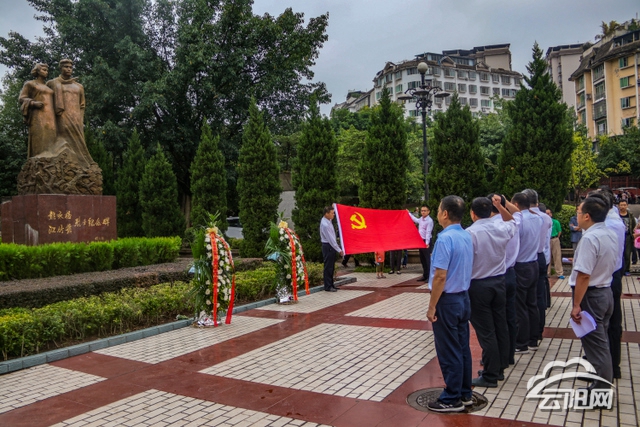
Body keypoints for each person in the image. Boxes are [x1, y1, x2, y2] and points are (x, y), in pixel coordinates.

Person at [426, 195, 474, 412]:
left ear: (445, 213)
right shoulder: (466, 235)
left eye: (438, 209)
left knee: (449, 350)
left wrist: (431, 306)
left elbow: (440, 276)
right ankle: (464, 392)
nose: (437, 213)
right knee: (462, 347)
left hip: (447, 301)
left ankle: (451, 398)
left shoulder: (445, 239)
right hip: (463, 298)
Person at [466, 196, 516, 388]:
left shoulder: (470, 233)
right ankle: (499, 367)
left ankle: (490, 375)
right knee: (500, 325)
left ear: (472, 213)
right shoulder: (501, 228)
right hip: (499, 282)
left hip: (479, 285)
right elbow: (512, 220)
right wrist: (500, 206)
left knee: (486, 331)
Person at [570, 196, 617, 395]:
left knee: (597, 347)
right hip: (605, 291)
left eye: (579, 213)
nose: (577, 216)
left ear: (587, 216)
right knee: (601, 343)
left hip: (592, 295)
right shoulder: (610, 233)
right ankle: (600, 386)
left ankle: (601, 391)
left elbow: (584, 275)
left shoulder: (590, 238)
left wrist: (576, 304)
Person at [508, 192, 543, 354]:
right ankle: (533, 339)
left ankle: (521, 343)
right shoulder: (538, 218)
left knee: (520, 306)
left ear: (515, 204)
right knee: (532, 303)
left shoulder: (519, 221)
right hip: (533, 263)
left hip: (521, 265)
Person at [46, 59, 95, 169]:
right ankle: (64, 165)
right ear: (61, 68)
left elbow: (82, 105)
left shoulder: (79, 86)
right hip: (61, 117)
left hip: (76, 118)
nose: (68, 69)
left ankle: (82, 165)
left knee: (79, 141)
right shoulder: (52, 83)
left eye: (70, 67)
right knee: (63, 140)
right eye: (66, 67)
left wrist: (80, 120)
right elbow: (45, 99)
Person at [522, 189, 551, 349]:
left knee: (523, 300)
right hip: (540, 257)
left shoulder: (522, 218)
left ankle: (525, 335)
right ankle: (537, 331)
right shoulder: (545, 217)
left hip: (526, 259)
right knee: (538, 297)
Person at [19, 63, 57, 158]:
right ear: (38, 71)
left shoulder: (48, 87)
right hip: (38, 115)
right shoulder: (30, 84)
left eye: (47, 70)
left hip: (50, 115)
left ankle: (51, 159)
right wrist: (33, 103)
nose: (46, 72)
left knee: (51, 135)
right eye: (44, 70)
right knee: (39, 136)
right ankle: (38, 159)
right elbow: (21, 98)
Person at [320, 206, 343, 292]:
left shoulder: (328, 220)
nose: (333, 215)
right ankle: (328, 286)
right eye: (332, 213)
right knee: (328, 267)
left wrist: (333, 206)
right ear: (326, 214)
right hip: (328, 246)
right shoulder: (325, 225)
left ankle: (331, 284)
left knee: (331, 267)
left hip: (330, 246)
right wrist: (339, 249)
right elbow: (331, 239)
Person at [409, 205, 434, 281]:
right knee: (422, 259)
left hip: (426, 241)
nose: (423, 212)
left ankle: (429, 276)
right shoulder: (421, 219)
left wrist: (427, 243)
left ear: (428, 211)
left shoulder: (429, 221)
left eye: (425, 211)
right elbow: (415, 220)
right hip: (421, 240)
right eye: (422, 211)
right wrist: (408, 213)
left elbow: (428, 232)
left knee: (427, 259)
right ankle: (425, 275)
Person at [618, 200, 636, 275]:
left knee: (627, 254)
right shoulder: (616, 215)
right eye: (621, 205)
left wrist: (633, 234)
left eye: (624, 205)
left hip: (628, 236)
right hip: (618, 237)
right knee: (619, 254)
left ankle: (626, 269)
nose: (623, 207)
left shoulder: (630, 215)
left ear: (627, 206)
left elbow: (634, 225)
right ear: (619, 206)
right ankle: (619, 269)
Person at [546, 208, 564, 279]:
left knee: (557, 256)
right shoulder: (544, 222)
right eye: (546, 213)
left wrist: (556, 238)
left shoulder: (556, 222)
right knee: (547, 256)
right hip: (547, 240)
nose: (547, 215)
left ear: (551, 214)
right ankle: (547, 273)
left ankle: (559, 273)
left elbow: (559, 231)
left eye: (548, 213)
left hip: (555, 239)